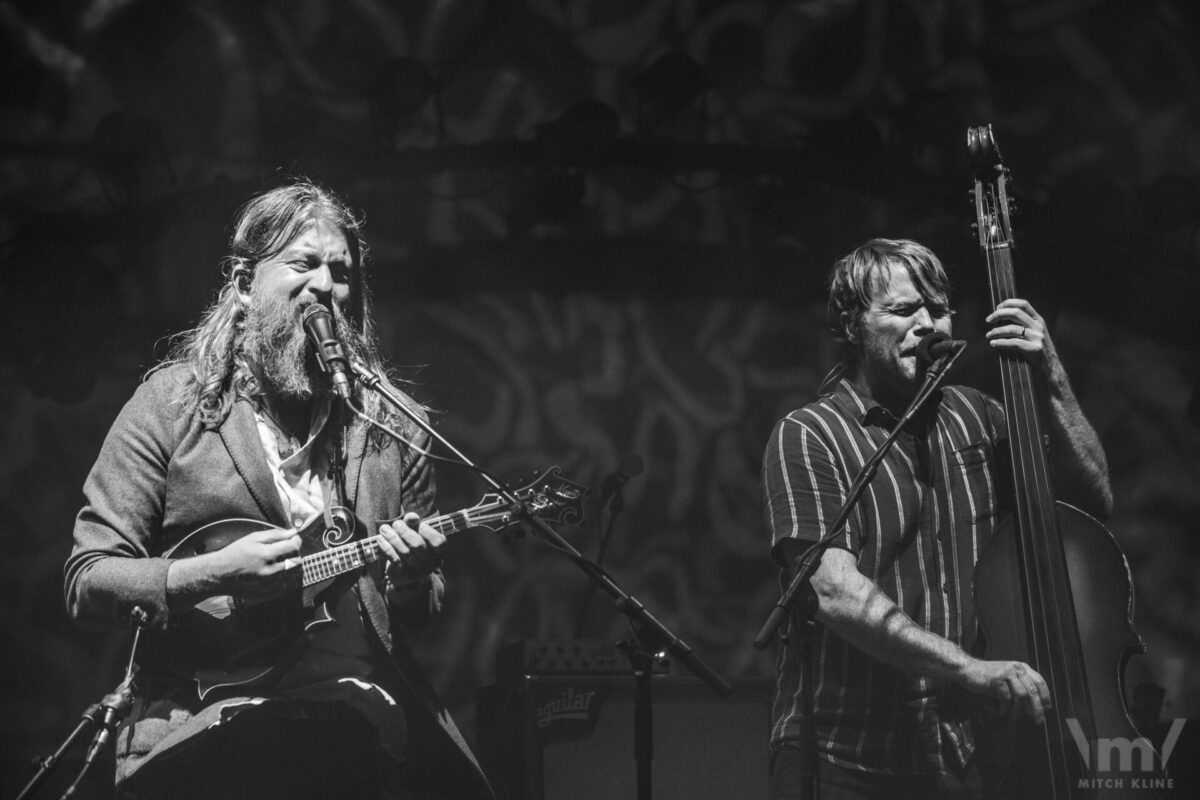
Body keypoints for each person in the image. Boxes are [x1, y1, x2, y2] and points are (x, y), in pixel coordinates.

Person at [64, 179, 494, 800]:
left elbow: (418, 612)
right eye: (303, 263)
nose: (326, 285)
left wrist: (410, 575)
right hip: (210, 720)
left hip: (363, 723)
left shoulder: (392, 423)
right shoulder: (170, 404)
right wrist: (211, 574)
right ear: (243, 284)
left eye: (341, 271)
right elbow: (88, 580)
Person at [761, 238, 1112, 799]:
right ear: (853, 325)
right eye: (903, 310)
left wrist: (1050, 375)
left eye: (939, 309)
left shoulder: (981, 415)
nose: (928, 324)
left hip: (961, 753)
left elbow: (1090, 504)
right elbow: (831, 591)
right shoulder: (809, 434)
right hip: (841, 754)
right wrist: (969, 668)